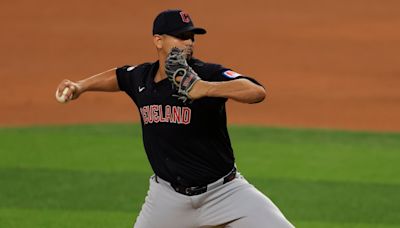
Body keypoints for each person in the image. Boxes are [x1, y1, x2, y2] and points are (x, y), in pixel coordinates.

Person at [55, 9, 294, 228]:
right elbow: (118, 76)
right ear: (158, 40)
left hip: (225, 192)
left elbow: (255, 91)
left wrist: (205, 88)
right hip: (167, 198)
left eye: (192, 37)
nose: (189, 42)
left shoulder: (205, 73)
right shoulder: (142, 78)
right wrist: (81, 86)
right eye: (181, 36)